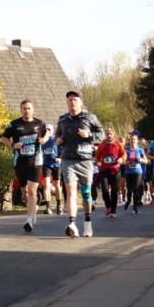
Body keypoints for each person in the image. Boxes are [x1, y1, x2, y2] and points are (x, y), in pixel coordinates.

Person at [55, 90, 105, 237]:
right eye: (70, 100)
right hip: (68, 160)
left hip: (85, 161)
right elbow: (58, 135)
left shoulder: (90, 117)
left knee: (86, 195)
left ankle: (87, 222)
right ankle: (72, 223)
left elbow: (101, 135)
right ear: (67, 102)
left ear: (80, 102)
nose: (72, 102)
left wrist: (89, 135)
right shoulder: (62, 119)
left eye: (75, 99)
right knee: (70, 192)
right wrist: (58, 140)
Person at [1, 100, 48, 233]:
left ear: (33, 110)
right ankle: (32, 210)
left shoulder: (39, 123)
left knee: (32, 190)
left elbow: (48, 133)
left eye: (29, 108)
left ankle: (28, 220)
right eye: (24, 109)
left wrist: (44, 140)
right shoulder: (14, 124)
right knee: (25, 192)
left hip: (36, 161)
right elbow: (3, 138)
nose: (26, 111)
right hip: (20, 161)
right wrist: (13, 145)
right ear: (21, 110)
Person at [95, 128, 124, 218]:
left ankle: (113, 211)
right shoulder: (102, 144)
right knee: (104, 190)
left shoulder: (118, 144)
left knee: (114, 191)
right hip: (104, 169)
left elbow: (124, 154)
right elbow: (97, 156)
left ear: (114, 135)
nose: (109, 135)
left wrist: (121, 159)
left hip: (115, 170)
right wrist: (98, 162)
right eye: (107, 134)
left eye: (110, 133)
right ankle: (108, 206)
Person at [39, 124, 62, 215]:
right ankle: (48, 207)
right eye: (46, 129)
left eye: (49, 130)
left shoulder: (56, 139)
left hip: (56, 164)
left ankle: (59, 205)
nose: (47, 131)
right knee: (47, 185)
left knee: (57, 185)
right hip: (46, 164)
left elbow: (63, 149)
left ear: (52, 131)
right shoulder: (42, 140)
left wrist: (60, 158)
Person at [123, 131, 148, 213]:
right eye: (131, 139)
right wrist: (127, 162)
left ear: (137, 141)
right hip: (129, 172)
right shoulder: (126, 151)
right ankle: (128, 200)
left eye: (134, 139)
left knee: (136, 189)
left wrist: (141, 160)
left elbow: (146, 161)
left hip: (138, 172)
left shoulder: (140, 150)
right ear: (129, 141)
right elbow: (123, 162)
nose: (132, 141)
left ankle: (135, 206)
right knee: (129, 189)